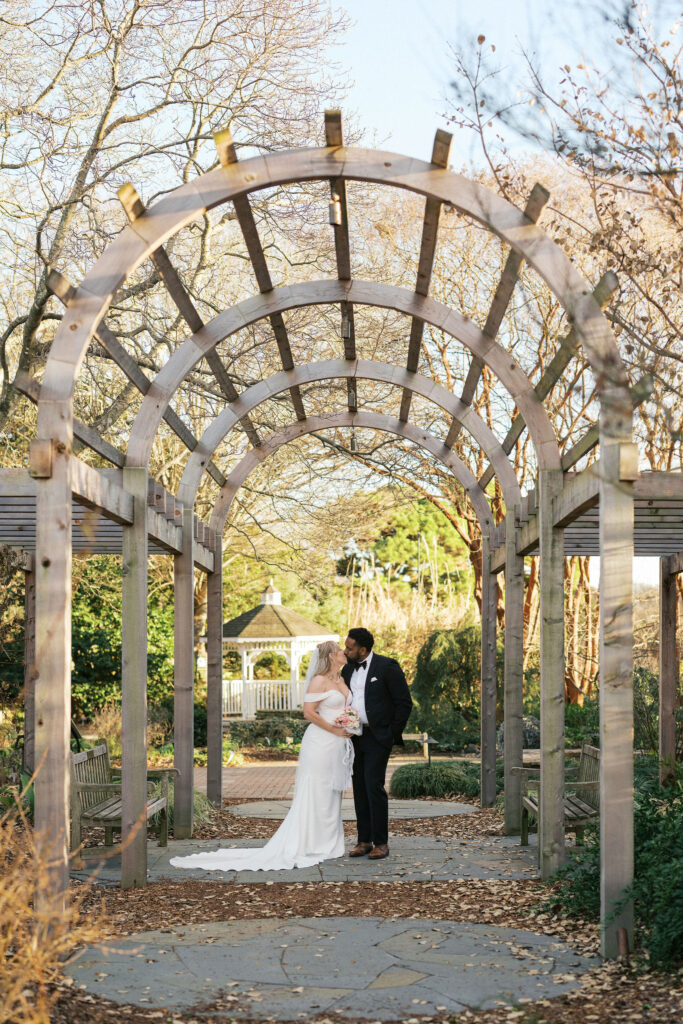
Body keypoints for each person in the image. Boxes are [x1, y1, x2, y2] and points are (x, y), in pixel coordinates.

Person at [169, 640, 353, 873]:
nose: (344, 653)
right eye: (340, 651)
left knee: (332, 791)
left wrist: (349, 724)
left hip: (338, 744)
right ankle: (309, 843)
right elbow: (308, 712)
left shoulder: (342, 679)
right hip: (321, 742)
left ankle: (329, 843)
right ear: (330, 656)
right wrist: (334, 729)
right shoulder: (319, 680)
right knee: (316, 789)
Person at [342, 627, 412, 861]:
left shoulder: (386, 666)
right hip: (354, 737)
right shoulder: (346, 669)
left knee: (374, 786)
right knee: (359, 787)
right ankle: (364, 840)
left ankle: (381, 843)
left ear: (363, 649)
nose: (346, 650)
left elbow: (404, 702)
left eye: (350, 648)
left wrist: (391, 734)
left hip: (377, 737)